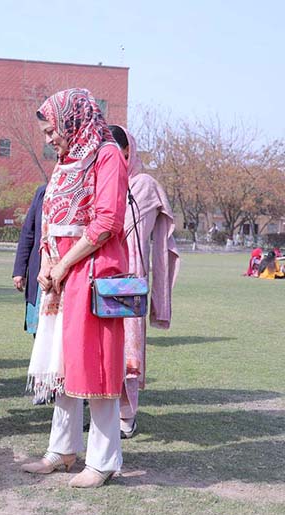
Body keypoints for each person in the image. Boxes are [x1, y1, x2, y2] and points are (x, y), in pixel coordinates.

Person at [22, 88, 128, 488]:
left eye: (52, 130)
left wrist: (65, 263)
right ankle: (63, 450)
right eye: (46, 132)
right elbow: (48, 216)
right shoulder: (66, 163)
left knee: (95, 364)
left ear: (72, 120)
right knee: (61, 364)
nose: (49, 139)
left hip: (93, 271)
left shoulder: (106, 155)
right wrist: (48, 259)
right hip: (62, 273)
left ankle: (102, 461)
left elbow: (106, 222)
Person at [109, 125, 180, 439]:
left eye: (112, 149)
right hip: (101, 276)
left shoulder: (144, 185)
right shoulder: (104, 183)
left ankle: (126, 418)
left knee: (129, 352)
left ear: (127, 150)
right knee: (104, 348)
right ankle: (103, 412)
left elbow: (123, 230)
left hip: (129, 281)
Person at [13, 184, 47, 337]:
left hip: (67, 273)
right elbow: (28, 232)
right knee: (39, 331)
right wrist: (19, 270)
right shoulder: (43, 192)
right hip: (39, 270)